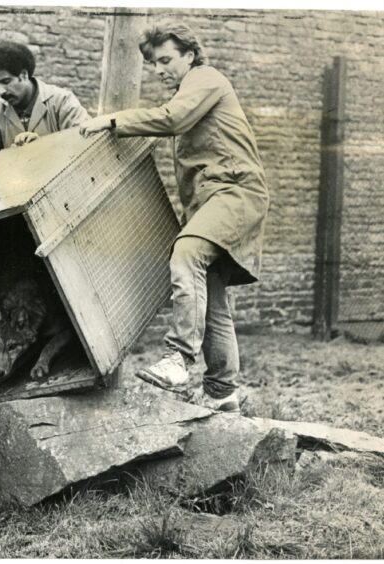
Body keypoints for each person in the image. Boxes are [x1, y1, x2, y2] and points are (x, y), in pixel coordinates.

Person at [79, 23, 270, 412]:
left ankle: (179, 358)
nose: (158, 69)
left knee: (186, 254)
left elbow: (171, 119)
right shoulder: (190, 90)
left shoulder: (205, 79)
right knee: (212, 299)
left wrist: (112, 122)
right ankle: (222, 393)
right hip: (213, 201)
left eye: (165, 59)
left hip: (234, 192)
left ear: (190, 55)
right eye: (152, 63)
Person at [0, 41, 92, 168]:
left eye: (6, 81)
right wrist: (10, 157)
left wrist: (42, 147)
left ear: (24, 75)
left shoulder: (62, 101)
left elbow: (86, 145)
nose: (1, 91)